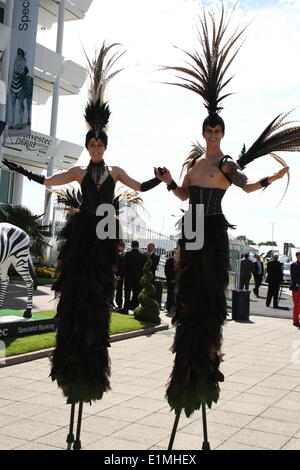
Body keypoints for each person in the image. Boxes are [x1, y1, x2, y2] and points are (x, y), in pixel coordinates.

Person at [155, 4, 296, 419]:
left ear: (223, 132)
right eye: (208, 129)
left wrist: (271, 178)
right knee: (185, 297)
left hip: (213, 229)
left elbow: (248, 187)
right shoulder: (195, 163)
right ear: (203, 131)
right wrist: (166, 180)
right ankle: (183, 363)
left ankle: (204, 362)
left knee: (207, 300)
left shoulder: (227, 163)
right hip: (191, 226)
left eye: (218, 130)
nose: (213, 134)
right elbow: (183, 195)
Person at [2, 43, 163, 405]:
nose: (94, 146)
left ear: (104, 145)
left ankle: (93, 354)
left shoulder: (116, 171)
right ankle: (70, 354)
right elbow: (50, 180)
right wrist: (22, 171)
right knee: (74, 291)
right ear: (88, 145)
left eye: (98, 143)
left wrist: (161, 180)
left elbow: (139, 186)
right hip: (82, 236)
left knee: (99, 292)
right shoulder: (78, 171)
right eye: (90, 142)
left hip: (104, 236)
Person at [119, 240, 146, 314]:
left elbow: (124, 266)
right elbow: (143, 268)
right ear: (138, 246)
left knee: (127, 293)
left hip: (128, 277)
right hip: (138, 278)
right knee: (136, 293)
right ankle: (135, 309)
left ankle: (125, 309)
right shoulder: (143, 256)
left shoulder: (127, 254)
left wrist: (123, 274)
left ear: (131, 245)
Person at [164, 249, 177, 314]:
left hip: (177, 281)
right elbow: (167, 271)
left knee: (176, 295)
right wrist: (170, 279)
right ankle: (169, 307)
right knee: (170, 294)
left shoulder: (178, 261)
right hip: (171, 281)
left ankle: (175, 308)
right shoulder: (168, 261)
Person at [114, 240, 126, 310]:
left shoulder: (125, 255)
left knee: (119, 290)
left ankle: (119, 303)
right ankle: (110, 302)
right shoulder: (115, 254)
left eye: (123, 246)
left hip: (121, 275)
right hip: (114, 274)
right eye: (121, 246)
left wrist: (120, 275)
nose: (122, 248)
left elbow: (124, 266)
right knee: (112, 289)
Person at [290, 251, 300, 327]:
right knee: (296, 305)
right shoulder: (293, 265)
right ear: (297, 256)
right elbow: (294, 277)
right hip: (296, 287)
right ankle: (295, 320)